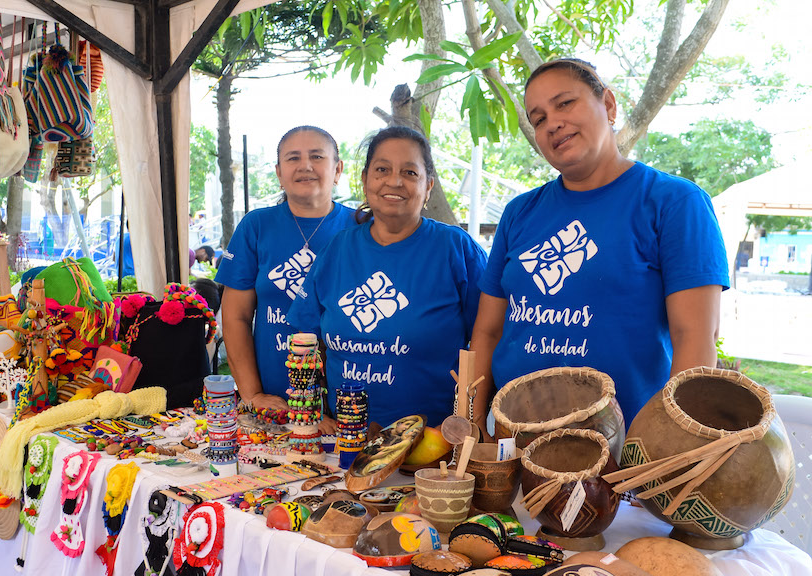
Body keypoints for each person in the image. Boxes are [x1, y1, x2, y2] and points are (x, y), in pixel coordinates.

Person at [469, 58, 729, 428]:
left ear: (608, 105)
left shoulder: (673, 202)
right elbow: (488, 330)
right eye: (538, 118)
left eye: (564, 103)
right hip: (512, 443)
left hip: (620, 452)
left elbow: (696, 337)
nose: (552, 123)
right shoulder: (519, 212)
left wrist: (667, 448)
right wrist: (472, 427)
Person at [289, 126, 487, 427]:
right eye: (382, 169)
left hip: (434, 447)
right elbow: (306, 341)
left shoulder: (456, 249)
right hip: (345, 441)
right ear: (366, 178)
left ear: (429, 185)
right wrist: (313, 414)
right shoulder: (337, 249)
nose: (394, 181)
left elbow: (488, 338)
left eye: (410, 172)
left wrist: (472, 421)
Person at [216, 125, 358, 411]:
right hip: (274, 404)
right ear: (279, 173)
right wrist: (252, 395)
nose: (305, 166)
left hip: (350, 400)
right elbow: (235, 317)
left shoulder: (362, 228)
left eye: (317, 157)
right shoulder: (256, 226)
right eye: (293, 158)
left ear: (338, 169)